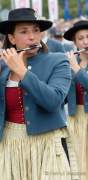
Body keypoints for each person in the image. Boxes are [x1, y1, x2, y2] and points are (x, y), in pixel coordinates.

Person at [0, 8, 79, 180]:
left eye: (36, 30)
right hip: (9, 146)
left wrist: (22, 71)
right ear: (11, 38)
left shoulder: (58, 60)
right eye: (24, 32)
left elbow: (53, 102)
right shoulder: (1, 67)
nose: (32, 37)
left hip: (47, 145)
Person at [64, 20, 88, 180]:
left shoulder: (74, 65)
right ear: (75, 42)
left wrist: (76, 68)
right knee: (78, 161)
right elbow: (63, 95)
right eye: (81, 38)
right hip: (75, 117)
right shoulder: (73, 63)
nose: (86, 42)